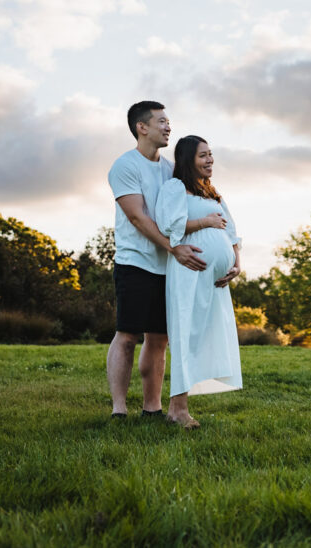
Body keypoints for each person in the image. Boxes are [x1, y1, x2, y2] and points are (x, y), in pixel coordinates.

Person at [106, 102, 224, 418]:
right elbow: (138, 217)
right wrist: (174, 248)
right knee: (128, 335)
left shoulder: (170, 168)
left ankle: (152, 408)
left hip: (168, 267)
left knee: (159, 338)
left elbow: (188, 208)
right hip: (135, 262)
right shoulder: (125, 166)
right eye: (162, 121)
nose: (168, 127)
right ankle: (119, 409)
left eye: (169, 121)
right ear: (142, 127)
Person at [155, 135, 243, 429]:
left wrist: (236, 264)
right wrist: (205, 223)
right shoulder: (175, 187)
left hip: (215, 280)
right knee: (186, 334)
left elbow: (232, 234)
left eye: (211, 155)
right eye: (203, 155)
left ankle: (180, 407)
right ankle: (177, 409)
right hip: (189, 270)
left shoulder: (213, 193)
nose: (210, 160)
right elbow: (170, 226)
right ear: (188, 159)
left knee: (206, 334)